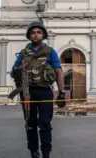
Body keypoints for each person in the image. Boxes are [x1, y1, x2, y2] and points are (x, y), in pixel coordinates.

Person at [11, 21, 65, 158]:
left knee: (45, 124)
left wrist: (61, 92)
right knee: (30, 124)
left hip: (45, 91)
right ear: (29, 36)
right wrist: (19, 70)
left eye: (38, 32)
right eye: (33, 33)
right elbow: (13, 72)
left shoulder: (50, 52)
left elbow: (58, 71)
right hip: (27, 93)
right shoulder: (23, 54)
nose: (36, 35)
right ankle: (34, 152)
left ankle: (46, 154)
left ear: (43, 35)